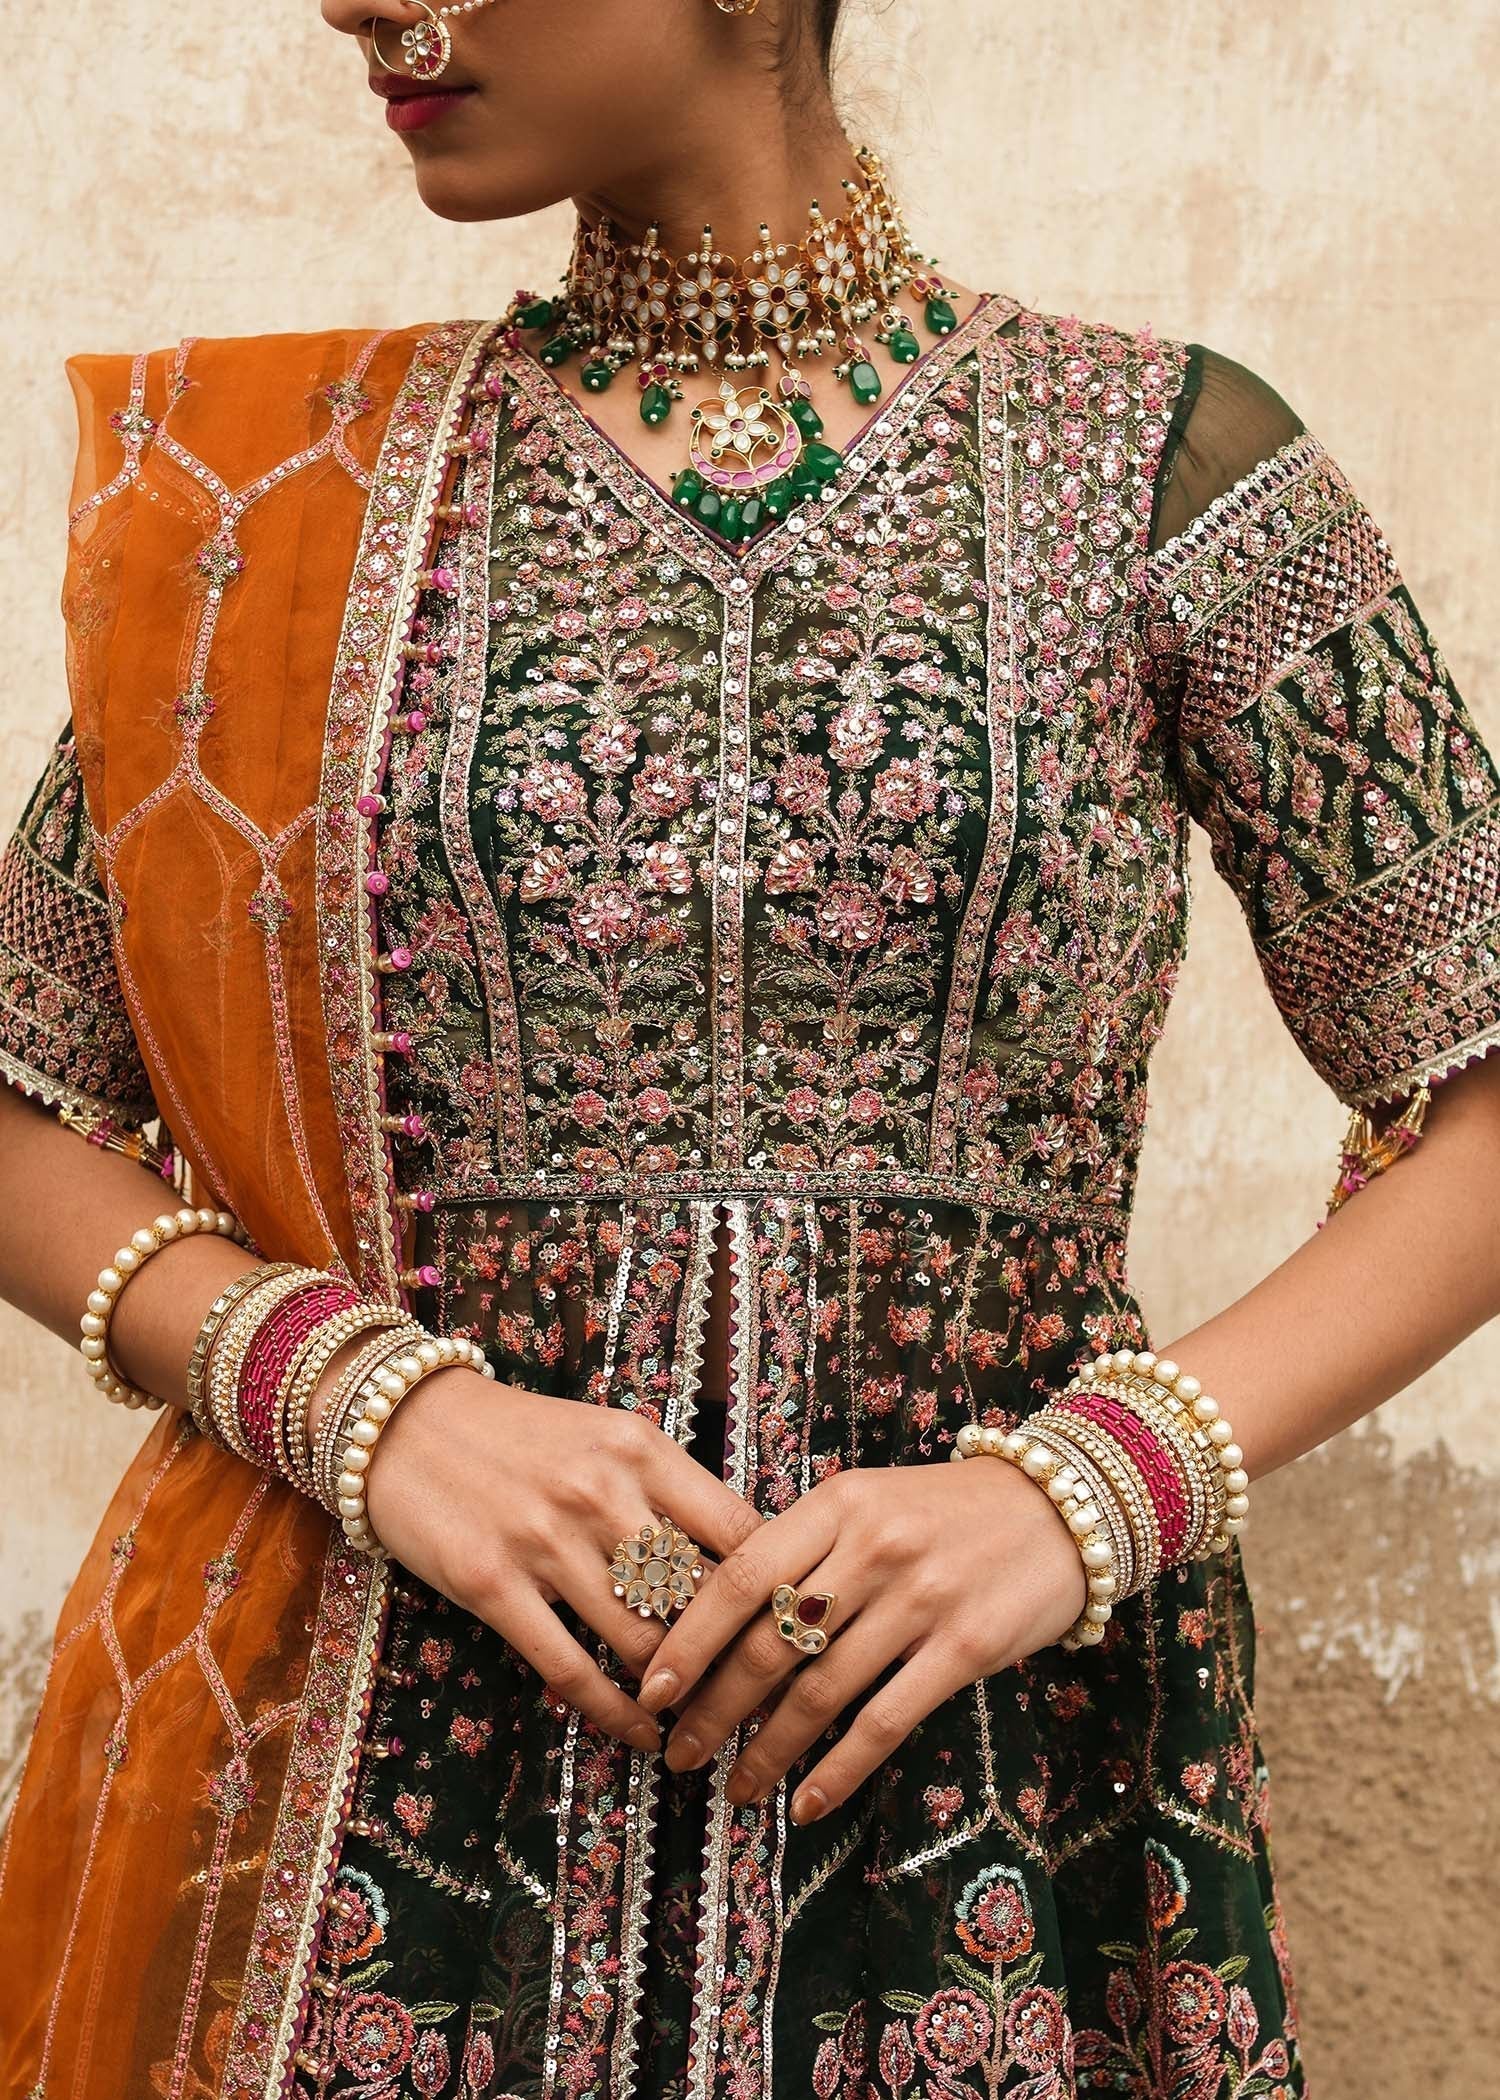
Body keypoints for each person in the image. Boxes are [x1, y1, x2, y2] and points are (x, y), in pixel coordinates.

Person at [2, 0, 1498, 2092]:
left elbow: (1475, 1077)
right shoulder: (271, 503)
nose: (356, 1)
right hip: (378, 1784)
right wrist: (365, 1406)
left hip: (996, 1780)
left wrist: (1085, 1492)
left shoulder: (1162, 462)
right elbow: (24, 1091)